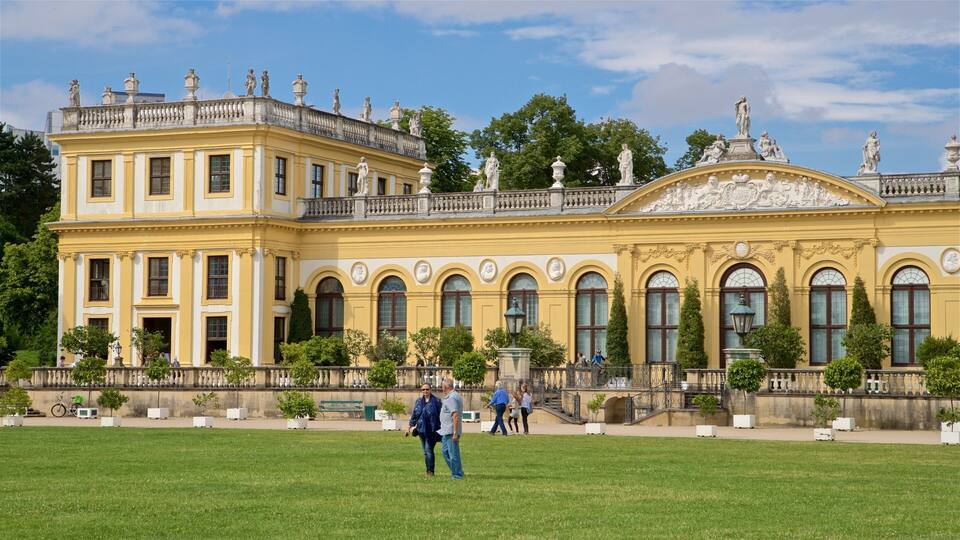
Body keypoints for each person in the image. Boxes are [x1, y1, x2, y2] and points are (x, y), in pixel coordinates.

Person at [406, 383, 442, 477]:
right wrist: (409, 427)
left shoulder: (436, 401)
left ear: (430, 390)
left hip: (432, 430)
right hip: (421, 430)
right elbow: (415, 415)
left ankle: (430, 472)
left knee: (428, 450)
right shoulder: (418, 401)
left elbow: (441, 416)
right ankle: (428, 471)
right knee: (426, 452)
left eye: (427, 389)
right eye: (423, 390)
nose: (425, 391)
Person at [438, 377, 463, 480]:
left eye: (442, 387)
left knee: (453, 454)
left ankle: (457, 475)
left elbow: (455, 415)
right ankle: (456, 470)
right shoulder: (452, 396)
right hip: (445, 430)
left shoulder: (451, 397)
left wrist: (455, 433)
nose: (441, 389)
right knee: (445, 451)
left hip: (451, 430)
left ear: (445, 387)